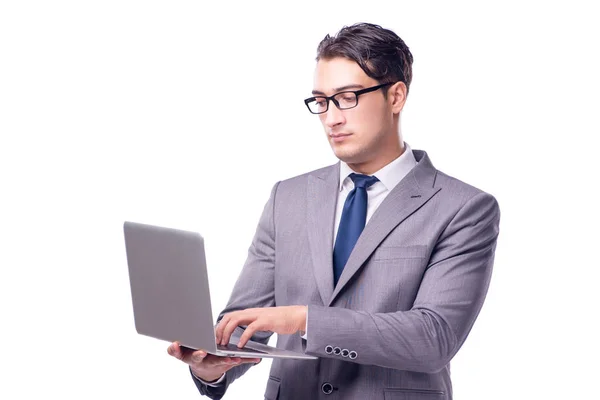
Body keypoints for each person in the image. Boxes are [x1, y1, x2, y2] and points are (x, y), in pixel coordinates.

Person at [167, 22, 500, 400]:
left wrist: (305, 320)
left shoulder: (463, 208)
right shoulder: (287, 198)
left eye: (347, 97)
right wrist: (212, 365)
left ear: (396, 96)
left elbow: (433, 337)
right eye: (322, 101)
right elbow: (246, 322)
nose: (331, 118)